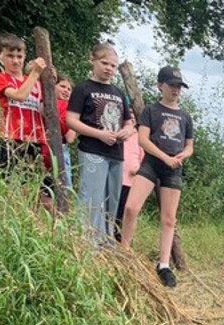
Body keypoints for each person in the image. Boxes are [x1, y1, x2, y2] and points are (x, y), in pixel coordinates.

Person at [120, 66, 194, 288]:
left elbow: (189, 146)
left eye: (179, 86)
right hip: (152, 163)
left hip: (173, 168)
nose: (176, 90)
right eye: (172, 85)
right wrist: (164, 157)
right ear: (160, 85)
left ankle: (163, 265)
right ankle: (124, 252)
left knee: (169, 219)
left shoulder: (185, 116)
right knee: (131, 207)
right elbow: (143, 140)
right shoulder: (151, 111)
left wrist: (182, 155)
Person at [66, 42, 134, 242]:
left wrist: (126, 131)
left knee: (112, 199)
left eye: (113, 65)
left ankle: (106, 242)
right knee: (91, 197)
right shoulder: (83, 88)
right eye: (105, 63)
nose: (109, 68)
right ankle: (85, 242)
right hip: (92, 149)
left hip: (116, 153)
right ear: (92, 60)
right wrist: (98, 134)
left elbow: (129, 122)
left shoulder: (119, 93)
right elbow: (71, 120)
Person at [0, 34, 49, 182]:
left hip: (36, 140)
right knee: (7, 185)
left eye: (19, 56)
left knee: (34, 188)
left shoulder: (37, 84)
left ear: (25, 56)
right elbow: (19, 96)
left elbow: (44, 112)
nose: (15, 61)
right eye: (10, 56)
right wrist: (35, 72)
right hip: (10, 139)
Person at [113, 107, 144, 243]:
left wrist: (138, 169)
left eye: (133, 114)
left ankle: (122, 239)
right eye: (128, 114)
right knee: (112, 209)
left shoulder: (140, 137)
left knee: (124, 211)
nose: (131, 117)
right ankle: (109, 235)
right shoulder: (118, 133)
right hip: (115, 178)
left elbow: (144, 158)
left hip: (130, 181)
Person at [54, 73, 76, 189]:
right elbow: (70, 137)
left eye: (69, 89)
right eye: (62, 86)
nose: (66, 90)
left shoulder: (43, 103)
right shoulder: (65, 106)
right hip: (59, 148)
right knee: (64, 186)